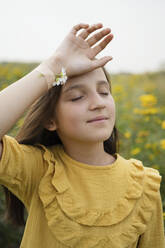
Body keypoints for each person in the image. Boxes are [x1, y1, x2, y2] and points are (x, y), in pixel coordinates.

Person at [0, 22, 164, 248]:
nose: (98, 103)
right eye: (77, 97)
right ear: (50, 120)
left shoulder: (144, 184)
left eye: (104, 92)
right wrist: (53, 67)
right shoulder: (39, 169)